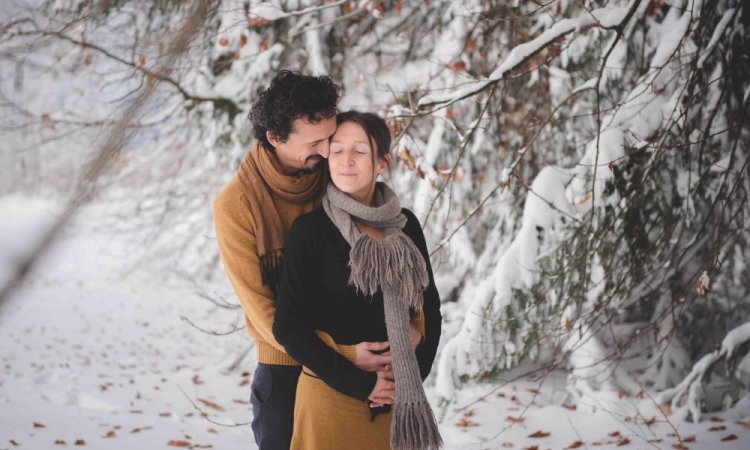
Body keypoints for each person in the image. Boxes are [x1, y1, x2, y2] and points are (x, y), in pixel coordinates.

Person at [213, 72, 413, 449]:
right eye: (316, 142)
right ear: (275, 138)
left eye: (331, 139)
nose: (327, 152)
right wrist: (342, 354)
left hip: (361, 365)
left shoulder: (331, 175)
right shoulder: (236, 204)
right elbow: (261, 308)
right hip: (286, 365)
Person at [273, 111, 443, 450]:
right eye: (336, 150)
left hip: (396, 408)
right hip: (330, 402)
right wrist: (361, 382)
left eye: (359, 151)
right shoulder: (311, 230)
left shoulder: (405, 225)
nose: (346, 160)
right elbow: (288, 327)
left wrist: (408, 376)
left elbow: (431, 310)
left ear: (381, 161)